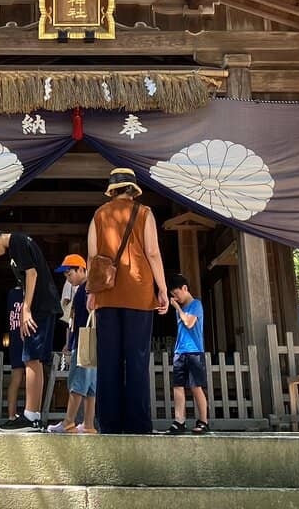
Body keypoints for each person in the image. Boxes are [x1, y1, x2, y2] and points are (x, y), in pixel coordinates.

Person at [87, 167, 169, 434]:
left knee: (108, 359)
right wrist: (162, 288)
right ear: (133, 190)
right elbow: (153, 252)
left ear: (112, 190)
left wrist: (91, 292)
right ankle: (138, 425)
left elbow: (92, 256)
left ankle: (109, 424)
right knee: (136, 360)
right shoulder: (144, 213)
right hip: (139, 293)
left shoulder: (99, 215)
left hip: (106, 295)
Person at [0, 227, 61, 432]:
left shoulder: (17, 242)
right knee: (35, 360)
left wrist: (26, 309)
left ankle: (30, 416)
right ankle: (34, 416)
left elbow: (32, 273)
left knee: (31, 358)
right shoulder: (19, 244)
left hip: (39, 307)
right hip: (45, 305)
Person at [47, 253, 97, 434]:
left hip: (83, 340)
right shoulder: (87, 289)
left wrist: (72, 342)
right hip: (91, 341)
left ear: (81, 269)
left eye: (70, 274)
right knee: (90, 387)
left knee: (77, 382)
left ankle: (68, 422)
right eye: (66, 275)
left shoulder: (86, 289)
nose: (68, 278)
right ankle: (88, 424)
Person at [163, 273, 210, 435]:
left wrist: (177, 308)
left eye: (176, 294)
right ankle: (179, 421)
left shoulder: (196, 304)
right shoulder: (181, 308)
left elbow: (189, 323)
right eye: (173, 295)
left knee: (196, 387)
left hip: (194, 350)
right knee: (178, 386)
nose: (175, 298)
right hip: (180, 350)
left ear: (185, 288)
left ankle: (203, 421)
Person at [2, 285, 25, 428]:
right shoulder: (30, 292)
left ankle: (11, 415)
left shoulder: (12, 294)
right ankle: (32, 413)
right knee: (32, 377)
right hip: (27, 337)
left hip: (14, 338)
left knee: (16, 377)